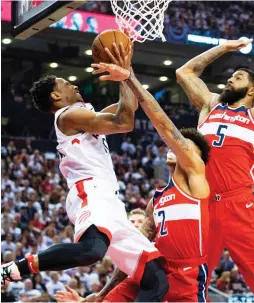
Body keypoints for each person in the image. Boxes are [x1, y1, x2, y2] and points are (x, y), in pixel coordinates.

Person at [1, 44, 169, 302]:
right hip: (90, 189)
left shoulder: (83, 115)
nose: (75, 85)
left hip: (110, 201)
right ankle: (12, 269)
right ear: (56, 97)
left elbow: (130, 105)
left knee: (156, 278)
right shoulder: (67, 116)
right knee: (92, 250)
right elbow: (124, 122)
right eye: (67, 84)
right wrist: (124, 77)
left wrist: (126, 69)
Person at [55, 43, 211, 302]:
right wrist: (98, 296)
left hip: (187, 278)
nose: (177, 146)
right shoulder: (156, 200)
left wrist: (129, 76)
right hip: (153, 274)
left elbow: (164, 125)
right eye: (178, 142)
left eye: (186, 146)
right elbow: (132, 253)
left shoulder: (197, 183)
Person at [175, 38, 254, 291]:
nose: (231, 79)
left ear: (252, 91)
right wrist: (225, 48)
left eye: (239, 77)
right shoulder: (211, 105)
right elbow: (184, 72)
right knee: (191, 281)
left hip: (239, 202)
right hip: (203, 203)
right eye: (231, 76)